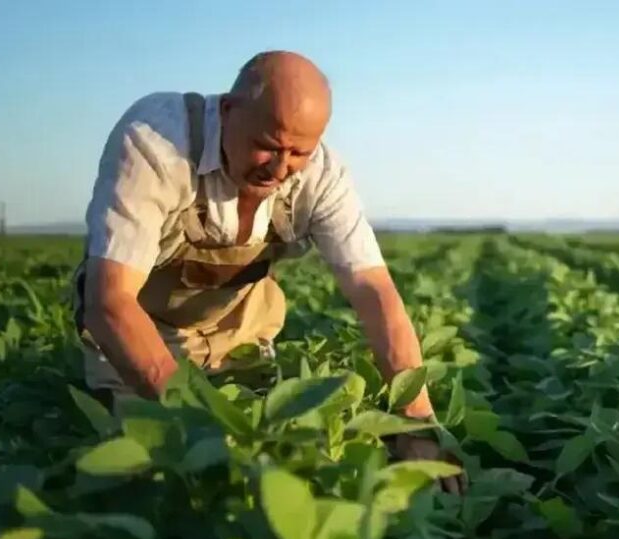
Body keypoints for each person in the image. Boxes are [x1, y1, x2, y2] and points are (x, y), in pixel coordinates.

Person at [72, 50, 465, 493]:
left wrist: (415, 422)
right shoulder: (156, 142)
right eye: (268, 145)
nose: (279, 168)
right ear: (227, 110)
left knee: (291, 464)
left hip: (241, 341)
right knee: (156, 475)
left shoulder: (322, 176)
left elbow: (374, 292)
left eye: (298, 152)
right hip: (140, 343)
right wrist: (203, 427)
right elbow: (110, 303)